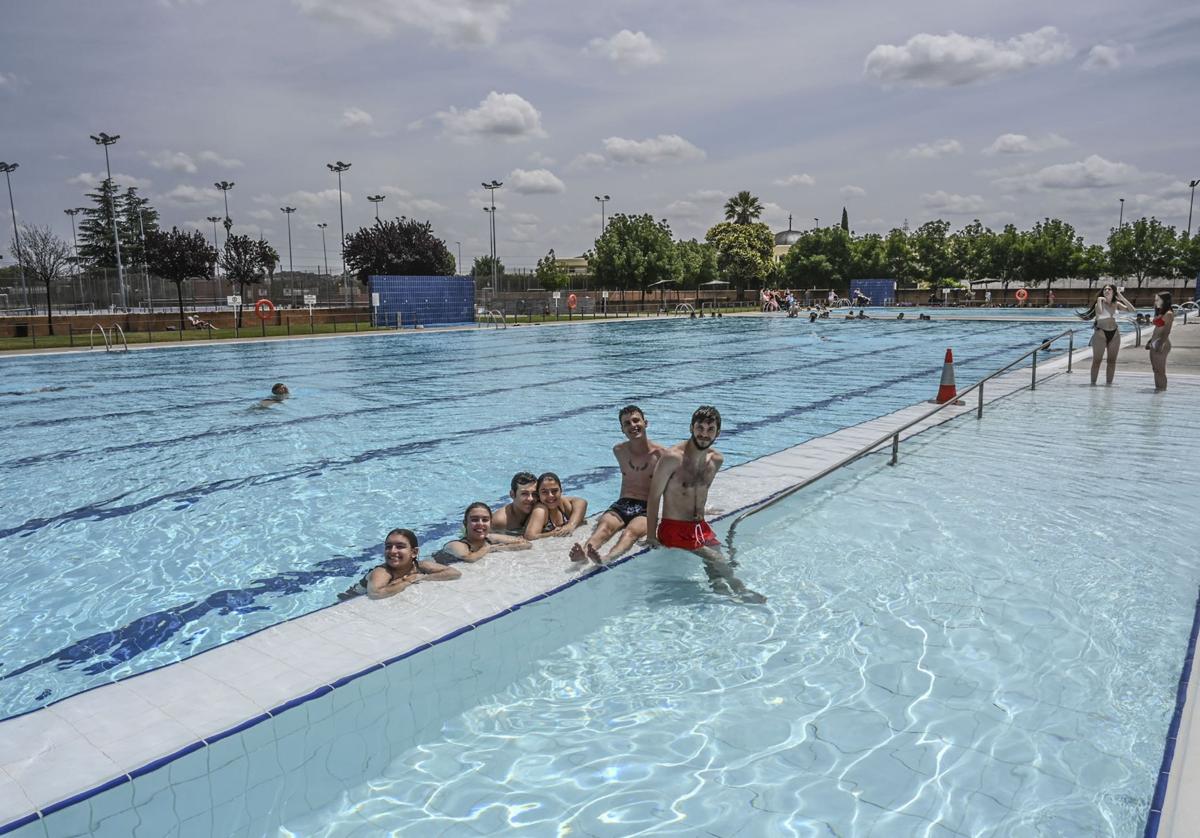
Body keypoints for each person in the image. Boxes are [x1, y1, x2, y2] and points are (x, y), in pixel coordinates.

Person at [646, 406, 765, 603]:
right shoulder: (672, 458)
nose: (704, 434)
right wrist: (651, 535)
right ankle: (741, 591)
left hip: (700, 528)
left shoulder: (716, 460)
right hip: (674, 529)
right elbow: (653, 496)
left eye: (710, 429)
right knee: (718, 560)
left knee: (719, 565)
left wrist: (704, 509)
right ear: (691, 428)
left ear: (717, 433)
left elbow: (697, 490)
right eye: (700, 428)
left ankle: (720, 593)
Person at [571, 405, 663, 565]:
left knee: (630, 532)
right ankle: (585, 553)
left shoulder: (661, 455)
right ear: (622, 429)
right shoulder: (619, 450)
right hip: (623, 503)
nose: (633, 426)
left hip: (647, 507)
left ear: (645, 423)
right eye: (627, 423)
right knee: (604, 527)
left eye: (636, 420)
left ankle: (608, 558)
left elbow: (674, 486)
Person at [338, 528, 460, 601]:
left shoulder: (420, 565)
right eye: (388, 547)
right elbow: (375, 593)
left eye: (400, 547)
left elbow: (454, 573)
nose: (392, 551)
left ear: (414, 552)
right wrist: (407, 581)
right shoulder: (383, 572)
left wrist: (422, 577)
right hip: (347, 600)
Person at [1077, 283, 1135, 385]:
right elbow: (1099, 312)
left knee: (1112, 361)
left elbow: (1132, 310)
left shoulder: (1116, 303)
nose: (1107, 291)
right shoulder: (1099, 303)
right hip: (1101, 333)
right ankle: (1093, 384)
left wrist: (1122, 297)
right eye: (1105, 290)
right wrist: (1099, 300)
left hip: (1114, 334)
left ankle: (1109, 385)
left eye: (1109, 289)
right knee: (1097, 361)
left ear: (1113, 292)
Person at [437, 502, 531, 562]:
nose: (480, 524)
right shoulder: (456, 545)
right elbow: (469, 558)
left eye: (485, 520)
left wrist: (498, 548)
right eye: (474, 520)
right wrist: (488, 549)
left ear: (490, 523)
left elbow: (526, 544)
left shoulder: (490, 538)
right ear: (465, 523)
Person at [524, 472, 588, 540]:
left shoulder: (561, 503)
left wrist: (571, 525)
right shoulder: (540, 510)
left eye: (554, 491)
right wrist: (552, 534)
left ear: (561, 491)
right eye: (544, 492)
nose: (550, 495)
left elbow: (582, 502)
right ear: (538, 494)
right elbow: (530, 536)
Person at [1146, 292, 1174, 391]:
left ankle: (1162, 392)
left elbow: (1167, 331)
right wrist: (1150, 341)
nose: (1155, 301)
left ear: (1164, 301)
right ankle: (1158, 390)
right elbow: (1158, 328)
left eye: (1158, 299)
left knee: (1160, 371)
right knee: (1155, 370)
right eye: (1155, 299)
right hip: (1154, 342)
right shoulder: (1160, 311)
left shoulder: (1169, 314)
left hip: (1162, 342)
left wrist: (1160, 344)